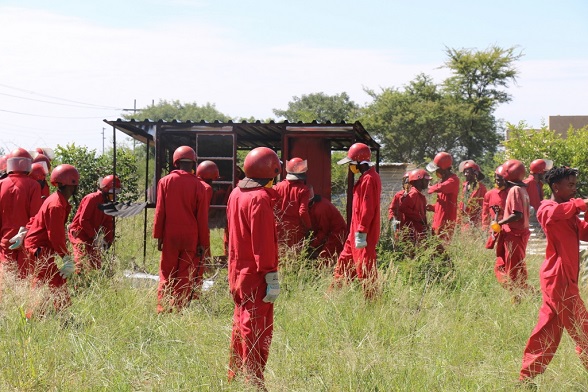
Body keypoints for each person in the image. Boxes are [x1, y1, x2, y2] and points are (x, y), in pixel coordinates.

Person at [519, 166, 588, 383]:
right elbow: (554, 213)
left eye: (575, 185)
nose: (574, 189)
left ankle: (525, 379)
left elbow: (584, 231)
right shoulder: (547, 208)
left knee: (546, 331)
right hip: (559, 280)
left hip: (559, 280)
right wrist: (581, 203)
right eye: (571, 185)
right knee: (583, 328)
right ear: (555, 187)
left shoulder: (567, 210)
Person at [226, 147, 281, 388]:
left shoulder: (236, 194)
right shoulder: (259, 198)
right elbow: (263, 242)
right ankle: (254, 382)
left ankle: (235, 376)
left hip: (237, 271)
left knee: (240, 324)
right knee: (256, 329)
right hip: (256, 274)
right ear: (272, 171)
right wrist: (271, 275)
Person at [152, 146, 210, 313]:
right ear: (193, 163)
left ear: (176, 162)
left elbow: (160, 211)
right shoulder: (199, 185)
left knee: (167, 273)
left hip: (170, 235)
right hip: (191, 236)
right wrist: (203, 243)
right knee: (184, 274)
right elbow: (202, 218)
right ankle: (178, 308)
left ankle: (162, 308)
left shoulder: (165, 182)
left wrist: (159, 236)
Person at [23, 164, 79, 314]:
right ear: (72, 185)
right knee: (55, 280)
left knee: (44, 281)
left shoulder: (56, 199)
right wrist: (66, 258)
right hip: (39, 247)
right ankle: (62, 318)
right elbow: (55, 235)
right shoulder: (56, 204)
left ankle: (36, 317)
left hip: (39, 246)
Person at [331, 142, 381, 299]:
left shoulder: (370, 179)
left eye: (351, 164)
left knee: (365, 270)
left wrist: (362, 230)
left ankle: (373, 304)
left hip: (362, 234)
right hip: (354, 233)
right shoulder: (365, 178)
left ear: (359, 163)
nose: (350, 167)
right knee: (343, 266)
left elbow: (368, 207)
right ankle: (332, 299)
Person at [0, 148, 43, 279]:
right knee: (22, 279)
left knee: (5, 280)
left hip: (4, 239)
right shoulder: (33, 185)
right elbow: (36, 217)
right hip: (24, 239)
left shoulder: (1, 184)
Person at [491, 159, 532, 292]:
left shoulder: (514, 189)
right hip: (520, 234)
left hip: (514, 235)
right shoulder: (522, 189)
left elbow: (517, 214)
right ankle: (524, 292)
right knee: (517, 266)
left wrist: (499, 222)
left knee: (512, 269)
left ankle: (518, 296)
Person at [68, 175, 121, 272]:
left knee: (96, 264)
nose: (115, 196)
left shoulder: (108, 204)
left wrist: (108, 241)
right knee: (80, 261)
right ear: (105, 189)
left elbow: (108, 223)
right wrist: (96, 238)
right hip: (79, 233)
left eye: (116, 193)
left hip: (92, 235)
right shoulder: (92, 198)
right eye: (113, 193)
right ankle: (77, 284)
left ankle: (90, 284)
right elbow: (83, 220)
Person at [273, 157, 311, 248]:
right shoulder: (304, 190)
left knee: (280, 256)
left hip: (278, 228)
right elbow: (302, 212)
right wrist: (309, 228)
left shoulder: (277, 187)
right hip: (295, 230)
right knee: (295, 256)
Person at [307, 185, 347, 265]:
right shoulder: (316, 205)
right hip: (331, 233)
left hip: (337, 234)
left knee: (324, 260)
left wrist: (311, 246)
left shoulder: (320, 209)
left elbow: (323, 231)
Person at [426, 152, 460, 241]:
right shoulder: (443, 181)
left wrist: (429, 187)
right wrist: (433, 207)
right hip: (438, 220)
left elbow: (441, 188)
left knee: (442, 247)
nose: (436, 172)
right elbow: (444, 203)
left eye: (437, 169)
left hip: (446, 222)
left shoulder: (453, 180)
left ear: (444, 169)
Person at [397, 168, 430, 244]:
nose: (428, 182)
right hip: (412, 231)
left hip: (417, 230)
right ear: (418, 181)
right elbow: (403, 208)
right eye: (426, 180)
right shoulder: (414, 193)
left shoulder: (417, 194)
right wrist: (418, 217)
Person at [458, 160, 487, 227]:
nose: (465, 174)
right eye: (464, 172)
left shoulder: (481, 188)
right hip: (463, 221)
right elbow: (460, 205)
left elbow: (483, 208)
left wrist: (482, 224)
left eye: (467, 172)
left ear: (475, 173)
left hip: (475, 223)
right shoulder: (463, 186)